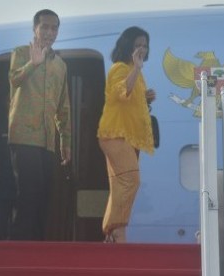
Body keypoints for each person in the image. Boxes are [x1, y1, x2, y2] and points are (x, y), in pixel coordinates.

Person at [7, 9, 71, 240]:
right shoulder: (21, 52)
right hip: (24, 135)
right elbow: (14, 79)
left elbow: (63, 106)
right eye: (44, 27)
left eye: (54, 28)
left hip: (48, 140)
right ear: (35, 28)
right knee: (28, 193)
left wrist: (65, 140)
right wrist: (33, 64)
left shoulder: (61, 65)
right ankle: (17, 249)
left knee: (45, 195)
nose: (49, 32)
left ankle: (37, 248)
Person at [97, 26, 156, 243]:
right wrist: (137, 68)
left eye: (145, 45)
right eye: (138, 44)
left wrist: (146, 98)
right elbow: (122, 93)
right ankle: (114, 229)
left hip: (128, 137)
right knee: (131, 180)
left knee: (120, 185)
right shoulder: (119, 68)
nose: (142, 48)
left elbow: (132, 102)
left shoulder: (136, 73)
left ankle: (114, 233)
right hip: (115, 135)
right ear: (128, 46)